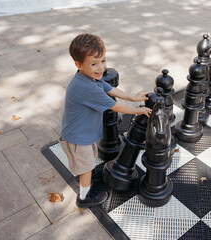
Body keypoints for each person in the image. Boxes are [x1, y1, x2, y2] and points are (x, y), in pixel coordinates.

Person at [59, 33, 152, 208]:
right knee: (86, 167)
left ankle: (86, 176)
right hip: (78, 138)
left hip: (83, 133)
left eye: (103, 61)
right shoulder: (87, 87)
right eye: (94, 63)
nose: (101, 67)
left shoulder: (90, 77)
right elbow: (116, 107)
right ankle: (84, 197)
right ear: (78, 65)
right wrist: (137, 111)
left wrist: (133, 97)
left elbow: (112, 90)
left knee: (88, 162)